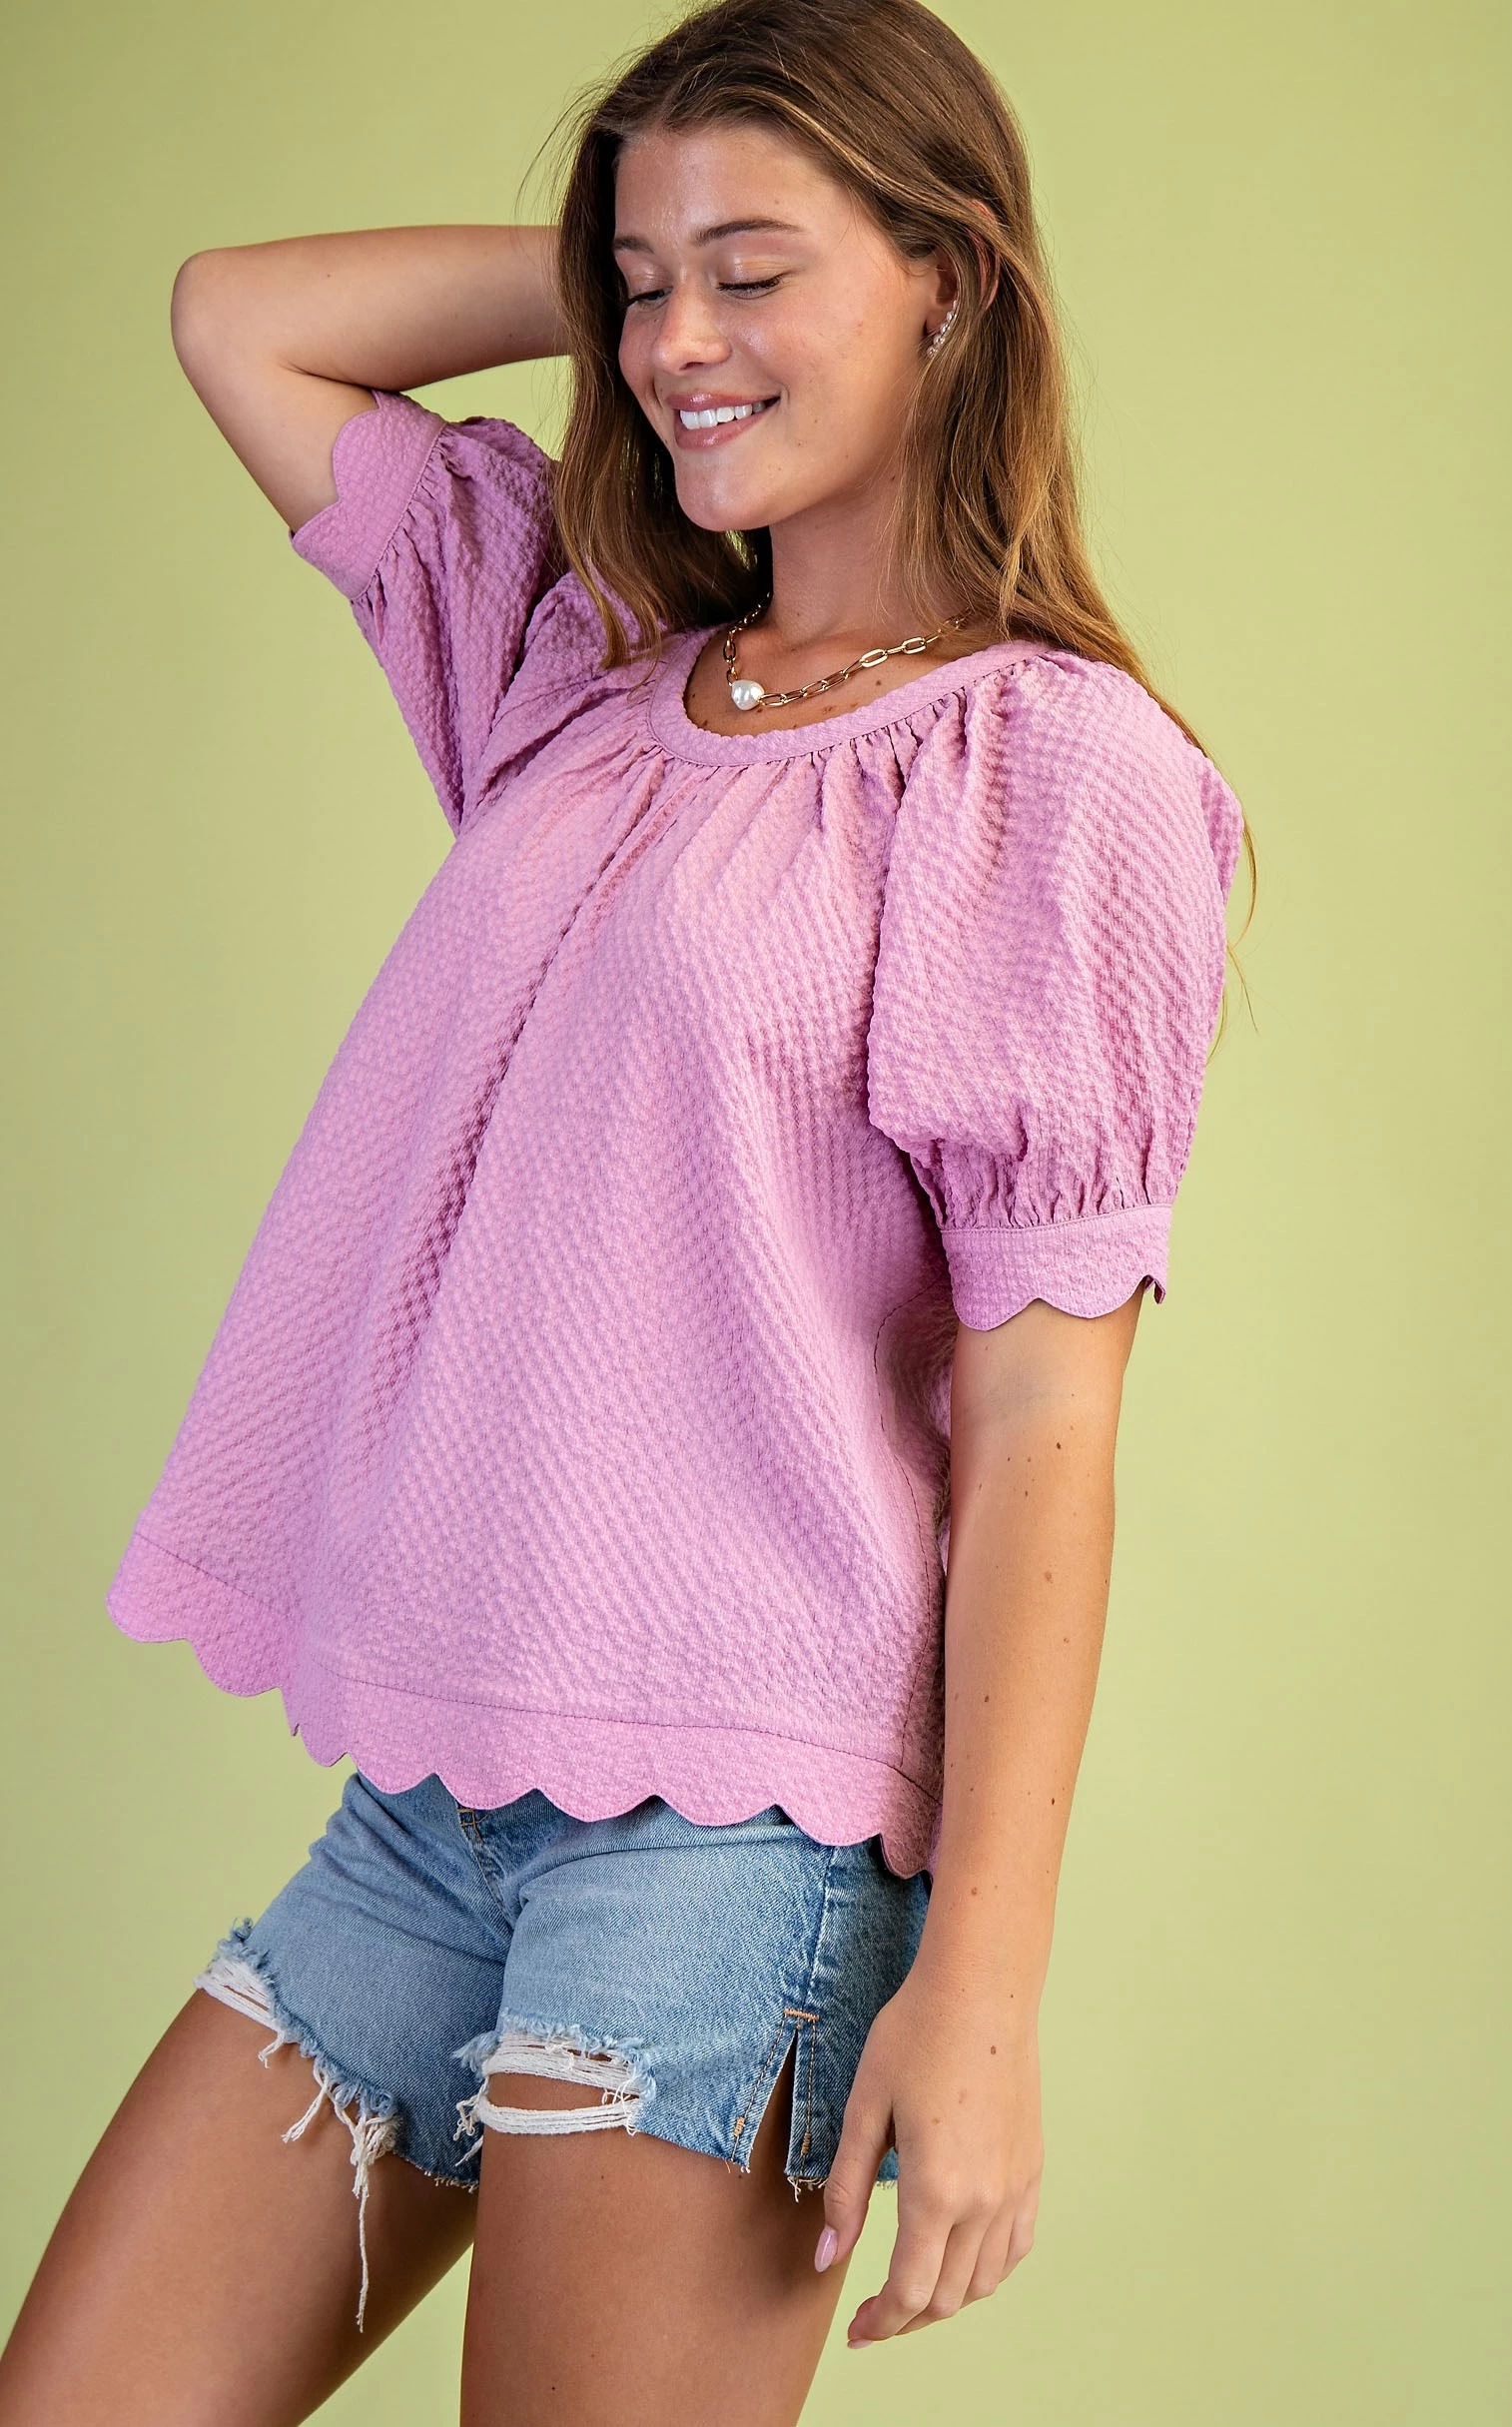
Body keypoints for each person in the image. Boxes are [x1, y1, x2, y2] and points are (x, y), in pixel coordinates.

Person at [0, 1, 1249, 2419]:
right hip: (427, 1814)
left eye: (755, 272)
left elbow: (1048, 1420)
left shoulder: (1045, 772)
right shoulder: (576, 672)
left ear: (949, 281)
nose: (677, 343)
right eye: (642, 279)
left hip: (737, 1846)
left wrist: (983, 1995)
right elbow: (239, 319)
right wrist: (649, 299)